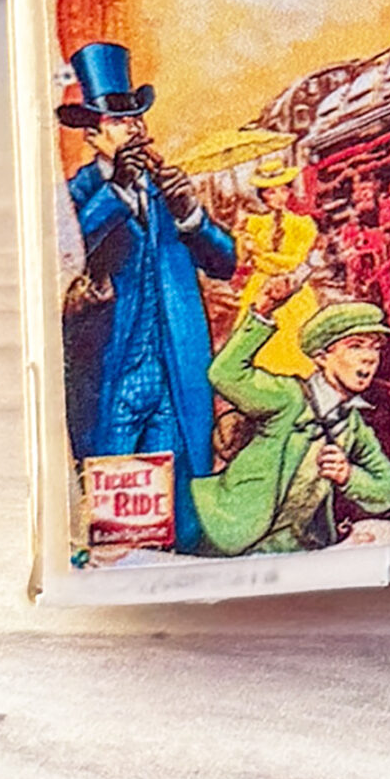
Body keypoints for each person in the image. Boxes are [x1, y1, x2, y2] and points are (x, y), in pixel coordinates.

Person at [59, 40, 238, 552]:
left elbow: (224, 262)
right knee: (118, 504)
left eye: (136, 119)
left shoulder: (166, 190)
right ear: (93, 135)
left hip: (175, 367)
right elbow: (70, 250)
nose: (133, 129)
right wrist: (115, 190)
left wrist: (191, 215)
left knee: (179, 506)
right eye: (119, 123)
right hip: (112, 370)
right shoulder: (77, 195)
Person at [192, 278, 390, 556]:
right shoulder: (288, 397)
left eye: (375, 347)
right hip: (238, 541)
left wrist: (348, 476)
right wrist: (264, 309)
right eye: (356, 345)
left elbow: (389, 491)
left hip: (298, 549)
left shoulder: (351, 425)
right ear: (322, 357)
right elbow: (224, 374)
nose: (369, 358)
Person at [227, 158, 321, 376]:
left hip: (292, 288)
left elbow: (294, 261)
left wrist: (260, 253)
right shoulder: (254, 223)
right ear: (262, 196)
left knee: (299, 344)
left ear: (289, 192)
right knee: (257, 346)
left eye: (281, 191)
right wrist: (240, 237)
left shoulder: (304, 224)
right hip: (260, 288)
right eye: (270, 193)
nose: (278, 197)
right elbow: (242, 260)